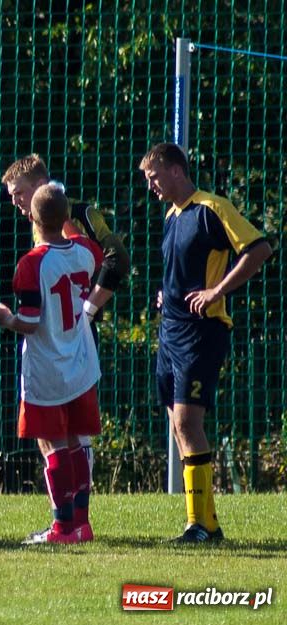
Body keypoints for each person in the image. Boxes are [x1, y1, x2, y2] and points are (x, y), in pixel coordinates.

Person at [139, 143, 271, 543]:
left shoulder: (211, 208)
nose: (152, 187)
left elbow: (259, 248)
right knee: (177, 426)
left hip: (202, 331)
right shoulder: (172, 216)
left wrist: (216, 291)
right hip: (171, 332)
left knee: (187, 422)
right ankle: (206, 525)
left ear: (177, 170)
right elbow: (181, 270)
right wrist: (167, 294)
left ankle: (200, 524)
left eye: (155, 177)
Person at [2, 154, 131, 479]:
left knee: (61, 430)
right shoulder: (42, 225)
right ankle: (74, 513)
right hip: (62, 334)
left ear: (38, 186)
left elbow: (117, 258)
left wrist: (88, 310)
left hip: (68, 337)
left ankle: (71, 512)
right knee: (69, 427)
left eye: (18, 193)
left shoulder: (73, 215)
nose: (15, 202)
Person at [0, 183, 103, 544]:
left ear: (31, 217)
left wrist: (6, 318)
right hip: (81, 362)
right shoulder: (86, 251)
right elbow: (94, 256)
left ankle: (62, 527)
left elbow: (31, 321)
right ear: (67, 216)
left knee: (54, 444)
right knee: (74, 442)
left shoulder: (31, 263)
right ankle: (82, 525)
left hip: (48, 367)